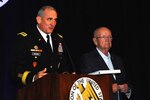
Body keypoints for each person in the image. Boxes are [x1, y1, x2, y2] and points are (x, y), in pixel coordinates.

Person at [9, 5, 75, 89]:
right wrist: (33, 77)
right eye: (49, 19)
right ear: (39, 19)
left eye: (55, 20)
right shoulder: (25, 39)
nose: (53, 23)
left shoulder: (58, 39)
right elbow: (15, 71)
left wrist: (67, 76)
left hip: (56, 90)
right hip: (33, 91)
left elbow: (63, 67)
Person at [77, 26, 132, 100]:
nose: (107, 40)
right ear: (95, 41)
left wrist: (127, 89)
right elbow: (86, 84)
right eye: (103, 37)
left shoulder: (118, 60)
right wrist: (109, 88)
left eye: (109, 37)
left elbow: (127, 82)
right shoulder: (88, 59)